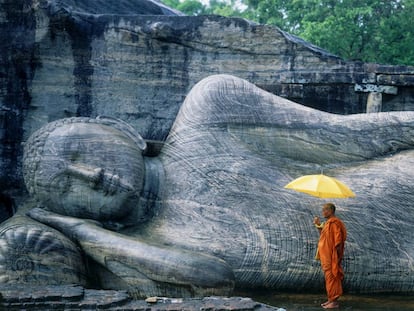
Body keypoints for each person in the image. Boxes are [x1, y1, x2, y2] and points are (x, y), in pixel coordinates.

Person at [314, 203, 347, 309]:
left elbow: (338, 242)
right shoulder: (328, 223)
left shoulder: (335, 223)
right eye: (323, 210)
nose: (323, 212)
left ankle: (334, 301)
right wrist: (318, 225)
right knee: (329, 278)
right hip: (326, 255)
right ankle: (330, 299)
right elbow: (325, 237)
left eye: (325, 210)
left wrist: (336, 257)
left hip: (331, 256)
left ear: (331, 211)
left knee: (332, 277)